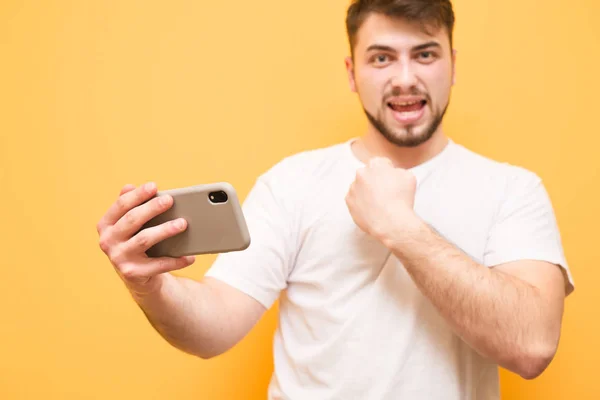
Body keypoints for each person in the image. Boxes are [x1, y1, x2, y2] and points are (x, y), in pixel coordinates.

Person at [96, 0, 575, 398]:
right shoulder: (293, 182)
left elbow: (531, 345)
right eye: (381, 58)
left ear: (453, 65)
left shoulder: (513, 189)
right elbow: (214, 326)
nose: (404, 79)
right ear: (352, 72)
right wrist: (149, 287)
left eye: (425, 55)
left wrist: (400, 227)